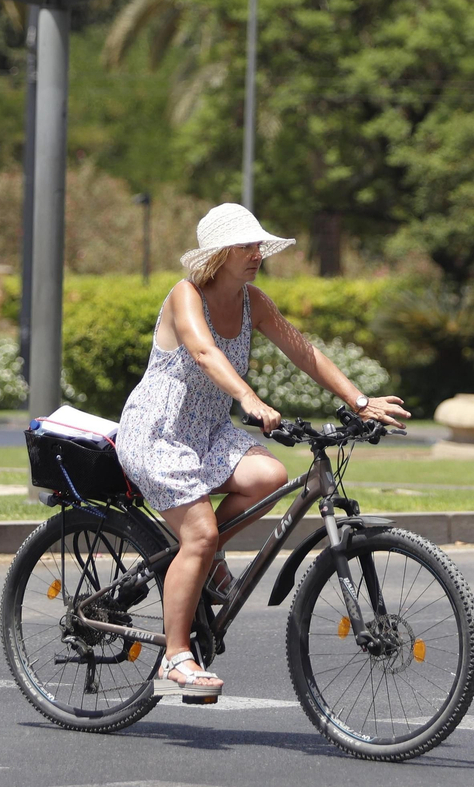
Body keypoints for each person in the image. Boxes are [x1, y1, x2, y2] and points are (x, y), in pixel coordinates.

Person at [115, 203, 410, 697]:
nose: (256, 254)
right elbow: (204, 352)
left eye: (258, 246)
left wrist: (359, 401)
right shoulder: (186, 295)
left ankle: (205, 557)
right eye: (245, 247)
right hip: (159, 432)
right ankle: (175, 658)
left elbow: (303, 350)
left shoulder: (254, 301)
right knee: (200, 534)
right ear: (218, 254)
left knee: (269, 477)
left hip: (208, 431)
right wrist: (248, 398)